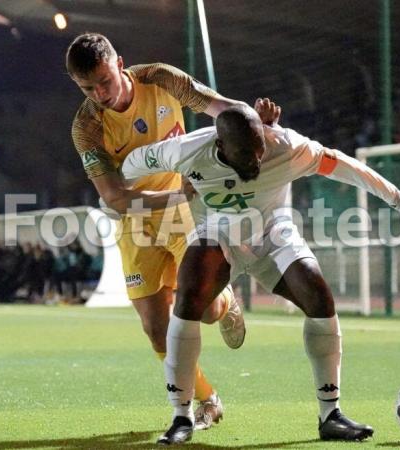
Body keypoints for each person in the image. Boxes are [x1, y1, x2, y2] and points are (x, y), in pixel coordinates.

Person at [121, 104, 400, 444]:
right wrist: (163, 190)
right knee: (188, 300)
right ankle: (181, 418)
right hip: (218, 233)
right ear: (220, 146)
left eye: (259, 152)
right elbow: (130, 164)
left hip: (274, 233)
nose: (256, 163)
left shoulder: (287, 145)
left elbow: (340, 164)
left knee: (317, 294)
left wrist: (399, 199)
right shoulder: (186, 151)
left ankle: (330, 414)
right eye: (245, 156)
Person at [66, 33, 280, 429]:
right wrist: (178, 198)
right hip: (137, 224)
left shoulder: (160, 78)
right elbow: (115, 198)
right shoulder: (87, 127)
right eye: (87, 88)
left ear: (120, 64)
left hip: (186, 217)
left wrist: (254, 124)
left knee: (207, 310)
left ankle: (227, 300)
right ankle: (208, 400)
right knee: (156, 330)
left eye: (105, 81)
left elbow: (220, 107)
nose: (100, 93)